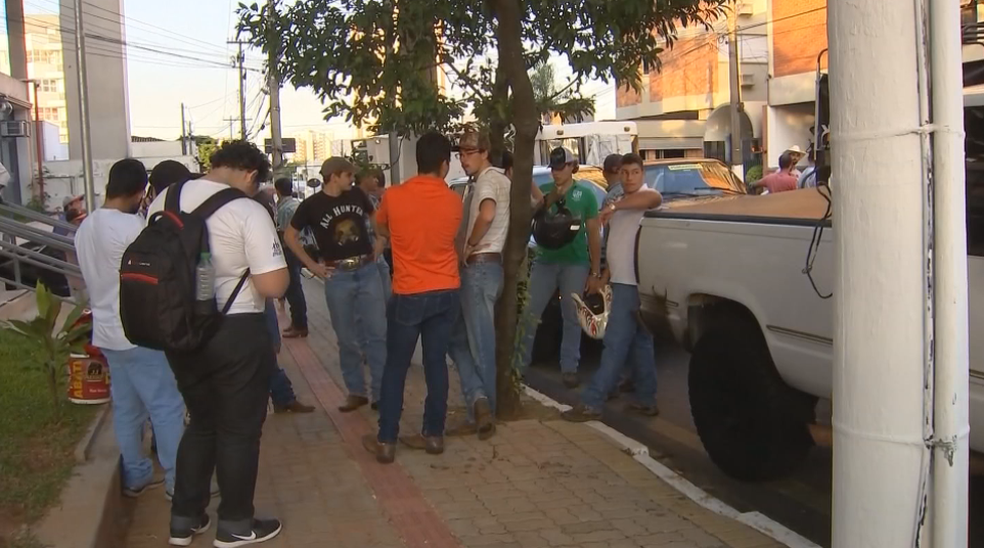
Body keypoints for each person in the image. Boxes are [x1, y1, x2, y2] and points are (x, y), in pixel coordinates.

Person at [147, 141, 288, 547]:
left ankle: (184, 519)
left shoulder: (164, 200)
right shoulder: (246, 210)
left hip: (180, 331)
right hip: (236, 330)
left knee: (203, 422)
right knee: (239, 429)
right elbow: (272, 284)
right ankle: (236, 524)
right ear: (249, 174)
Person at [74, 159, 186, 501]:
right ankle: (177, 483)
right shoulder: (132, 228)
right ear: (140, 191)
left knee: (127, 408)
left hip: (107, 333)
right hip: (140, 331)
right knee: (166, 406)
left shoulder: (85, 227)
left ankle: (136, 476)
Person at [362, 131, 462, 464]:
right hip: (446, 288)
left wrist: (396, 237)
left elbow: (379, 228)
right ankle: (434, 435)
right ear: (445, 165)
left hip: (408, 291)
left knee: (396, 366)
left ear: (418, 162)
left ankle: (387, 440)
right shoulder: (453, 201)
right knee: (436, 364)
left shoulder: (394, 196)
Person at [561, 153, 663, 422]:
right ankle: (646, 399)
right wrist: (603, 278)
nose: (629, 178)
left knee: (615, 344)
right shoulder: (618, 203)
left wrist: (615, 208)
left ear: (642, 175)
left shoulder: (647, 197)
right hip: (621, 281)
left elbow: (653, 200)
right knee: (641, 342)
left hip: (634, 283)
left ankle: (593, 402)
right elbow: (616, 246)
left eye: (635, 172)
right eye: (625, 173)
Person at [284, 158, 388, 413]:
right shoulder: (312, 205)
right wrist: (311, 265)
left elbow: (375, 217)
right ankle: (356, 391)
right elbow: (290, 235)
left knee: (377, 334)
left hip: (367, 269)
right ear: (334, 176)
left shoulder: (356, 196)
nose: (351, 179)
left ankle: (382, 393)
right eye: (348, 175)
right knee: (346, 337)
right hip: (337, 274)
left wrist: (381, 239)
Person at [444, 131, 510, 440]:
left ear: (485, 152)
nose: (463, 157)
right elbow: (535, 200)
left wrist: (470, 244)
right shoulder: (500, 179)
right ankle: (479, 400)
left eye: (469, 152)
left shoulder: (486, 180)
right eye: (460, 153)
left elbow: (487, 212)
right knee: (457, 336)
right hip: (487, 266)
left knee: (479, 344)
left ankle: (483, 414)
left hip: (480, 265)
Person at [521, 146, 602, 388]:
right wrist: (548, 200)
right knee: (530, 312)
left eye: (560, 167)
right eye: (553, 168)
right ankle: (519, 364)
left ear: (571, 167)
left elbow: (594, 234)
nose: (556, 172)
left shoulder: (585, 195)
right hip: (545, 260)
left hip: (575, 263)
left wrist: (595, 270)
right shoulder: (545, 191)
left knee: (572, 316)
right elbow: (530, 216)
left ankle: (569, 367)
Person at [273, 178, 308, 338]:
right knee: (295, 288)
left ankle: (299, 324)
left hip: (289, 251)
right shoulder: (297, 204)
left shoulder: (284, 209)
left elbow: (282, 234)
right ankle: (299, 322)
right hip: (300, 249)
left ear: (277, 190)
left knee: (293, 288)